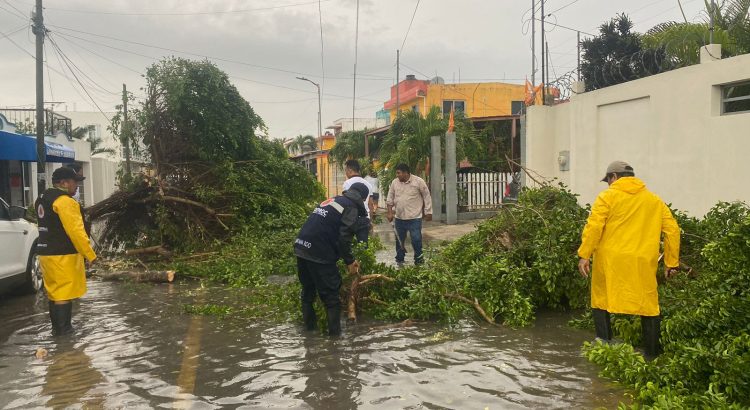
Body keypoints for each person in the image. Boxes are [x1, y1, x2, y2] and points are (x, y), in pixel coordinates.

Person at [577, 160, 680, 358]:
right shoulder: (654, 200)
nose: (608, 184)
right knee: (649, 305)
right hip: (643, 261)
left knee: (601, 298)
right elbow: (672, 230)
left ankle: (604, 346)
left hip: (610, 261)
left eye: (608, 180)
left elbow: (594, 227)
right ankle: (651, 355)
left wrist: (584, 254)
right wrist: (671, 262)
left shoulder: (607, 196)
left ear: (613, 177)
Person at [294, 182, 370, 336]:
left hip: (301, 247)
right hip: (318, 252)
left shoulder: (335, 200)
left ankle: (310, 334)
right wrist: (350, 261)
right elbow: (344, 239)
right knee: (331, 298)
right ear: (363, 198)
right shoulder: (351, 208)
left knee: (308, 293)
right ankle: (334, 343)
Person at [36, 167, 97, 336]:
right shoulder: (65, 202)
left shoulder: (42, 198)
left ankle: (57, 331)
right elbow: (76, 232)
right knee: (63, 293)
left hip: (45, 254)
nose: (77, 185)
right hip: (62, 255)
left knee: (55, 293)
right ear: (63, 183)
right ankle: (65, 335)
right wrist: (90, 255)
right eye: (74, 181)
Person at [386, 163, 432, 265]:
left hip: (414, 218)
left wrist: (428, 212)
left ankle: (419, 259)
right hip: (399, 218)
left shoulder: (418, 182)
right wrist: (389, 212)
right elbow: (390, 198)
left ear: (406, 173)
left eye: (399, 173)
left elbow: (426, 196)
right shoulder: (395, 183)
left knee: (416, 239)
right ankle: (399, 259)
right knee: (399, 241)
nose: (397, 175)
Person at [342, 159, 373, 242]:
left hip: (351, 218)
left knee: (349, 244)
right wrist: (371, 221)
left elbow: (345, 202)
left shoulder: (347, 183)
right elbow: (370, 204)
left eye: (346, 170)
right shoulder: (368, 184)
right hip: (365, 218)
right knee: (363, 246)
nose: (346, 173)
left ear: (350, 170)